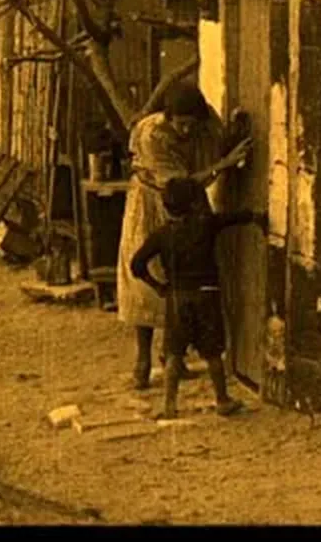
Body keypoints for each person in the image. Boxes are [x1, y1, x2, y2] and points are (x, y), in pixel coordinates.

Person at [115, 81, 252, 390]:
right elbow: (180, 185)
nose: (187, 131)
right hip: (153, 199)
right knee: (149, 276)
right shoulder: (153, 135)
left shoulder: (206, 123)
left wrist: (235, 132)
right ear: (168, 117)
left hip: (189, 202)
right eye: (181, 125)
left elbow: (217, 144)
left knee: (185, 274)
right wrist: (225, 164)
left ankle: (171, 355)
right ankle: (142, 362)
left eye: (192, 125)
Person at [130, 177, 268, 418]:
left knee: (173, 353)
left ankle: (169, 405)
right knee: (213, 353)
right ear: (194, 204)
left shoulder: (161, 235)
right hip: (207, 295)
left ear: (165, 206)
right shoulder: (205, 224)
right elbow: (233, 218)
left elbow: (137, 264)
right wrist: (256, 217)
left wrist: (158, 286)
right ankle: (222, 399)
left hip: (177, 298)